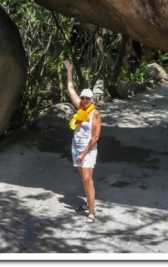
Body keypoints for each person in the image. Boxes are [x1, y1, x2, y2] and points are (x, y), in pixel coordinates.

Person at [64, 59, 101, 224]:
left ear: (92, 100)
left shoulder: (95, 114)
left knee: (87, 178)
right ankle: (88, 203)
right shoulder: (80, 108)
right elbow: (70, 88)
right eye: (83, 98)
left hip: (88, 150)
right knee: (83, 177)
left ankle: (92, 211)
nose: (85, 100)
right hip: (76, 148)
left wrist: (84, 153)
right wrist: (69, 70)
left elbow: (95, 137)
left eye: (88, 98)